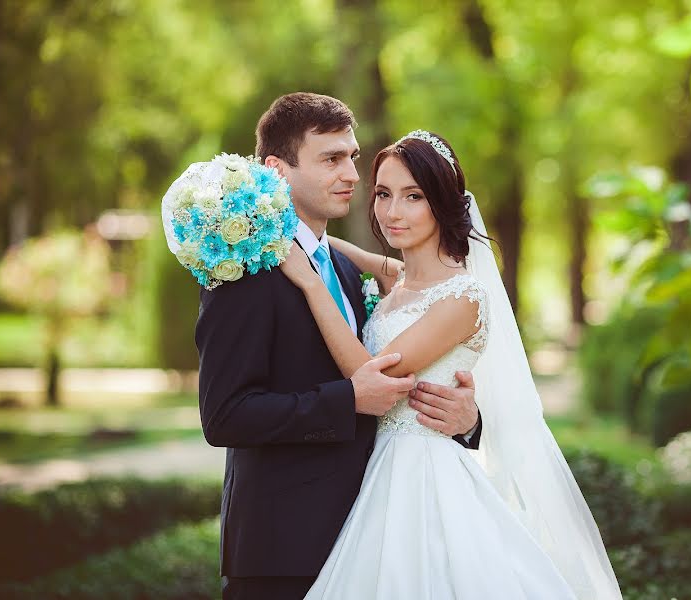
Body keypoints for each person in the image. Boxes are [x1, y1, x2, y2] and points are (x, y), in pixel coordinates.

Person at [279, 130, 624, 599]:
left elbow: (369, 375)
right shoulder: (400, 280)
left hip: (424, 480)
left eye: (413, 196)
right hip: (376, 471)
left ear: (442, 203)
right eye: (383, 194)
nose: (393, 212)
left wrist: (312, 285)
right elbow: (342, 251)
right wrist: (283, 227)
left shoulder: (462, 297)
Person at [193, 94, 482, 600]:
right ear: (278, 170)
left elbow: (420, 364)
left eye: (351, 156)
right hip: (283, 554)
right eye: (330, 159)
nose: (352, 173)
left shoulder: (351, 274)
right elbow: (224, 415)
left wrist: (468, 420)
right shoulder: (243, 274)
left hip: (381, 538)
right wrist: (346, 400)